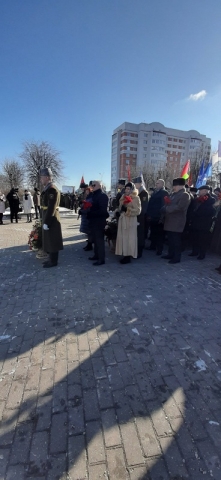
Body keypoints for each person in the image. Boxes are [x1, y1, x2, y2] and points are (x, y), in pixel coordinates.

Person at [161, 177, 190, 264]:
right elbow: (168, 204)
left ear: (181, 186)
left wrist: (167, 209)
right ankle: (170, 254)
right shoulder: (173, 194)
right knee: (170, 240)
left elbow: (180, 207)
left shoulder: (185, 195)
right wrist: (164, 208)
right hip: (170, 221)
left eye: (175, 186)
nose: (174, 187)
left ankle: (177, 257)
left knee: (176, 240)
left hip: (177, 222)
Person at [40, 167, 63, 268]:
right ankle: (51, 259)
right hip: (48, 215)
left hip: (52, 217)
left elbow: (52, 207)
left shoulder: (52, 189)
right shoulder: (48, 188)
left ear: (47, 177)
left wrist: (47, 222)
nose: (41, 179)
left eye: (42, 177)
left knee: (53, 239)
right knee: (49, 238)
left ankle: (54, 261)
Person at [115, 182, 141, 264]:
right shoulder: (123, 197)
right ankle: (124, 253)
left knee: (130, 239)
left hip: (130, 221)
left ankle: (128, 256)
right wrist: (118, 211)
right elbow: (120, 208)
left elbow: (138, 211)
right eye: (126, 188)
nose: (127, 190)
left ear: (132, 189)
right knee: (123, 238)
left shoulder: (136, 198)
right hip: (123, 220)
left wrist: (127, 210)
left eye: (129, 189)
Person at [189, 185, 215, 260]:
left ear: (206, 191)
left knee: (202, 239)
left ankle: (202, 254)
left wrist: (198, 213)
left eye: (201, 190)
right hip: (195, 222)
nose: (199, 192)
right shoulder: (197, 199)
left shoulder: (211, 200)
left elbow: (210, 211)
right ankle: (194, 251)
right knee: (195, 237)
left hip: (204, 223)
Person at [87, 180, 109, 265]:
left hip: (99, 222)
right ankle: (96, 255)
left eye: (94, 185)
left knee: (99, 241)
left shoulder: (102, 196)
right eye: (92, 185)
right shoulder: (93, 195)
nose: (92, 186)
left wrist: (91, 213)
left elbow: (103, 211)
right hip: (93, 221)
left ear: (100, 186)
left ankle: (101, 259)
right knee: (95, 240)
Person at [146, 179, 168, 255]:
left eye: (158, 183)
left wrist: (162, 217)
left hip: (159, 217)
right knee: (153, 232)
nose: (156, 184)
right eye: (156, 183)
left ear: (162, 184)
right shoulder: (156, 192)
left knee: (160, 234)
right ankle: (153, 246)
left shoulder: (164, 193)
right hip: (153, 216)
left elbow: (164, 205)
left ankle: (159, 249)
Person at [133, 176, 149, 258]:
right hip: (136, 216)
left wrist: (138, 216)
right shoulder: (137, 192)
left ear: (139, 183)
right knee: (136, 235)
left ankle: (140, 252)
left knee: (140, 235)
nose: (135, 185)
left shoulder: (144, 193)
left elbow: (143, 207)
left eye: (136, 184)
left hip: (141, 217)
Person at [79, 186, 93, 251]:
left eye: (88, 191)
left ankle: (90, 245)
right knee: (88, 232)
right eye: (86, 191)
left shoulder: (91, 198)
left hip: (88, 217)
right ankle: (89, 244)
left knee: (89, 232)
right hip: (85, 217)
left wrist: (82, 211)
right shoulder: (87, 197)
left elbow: (89, 209)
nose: (87, 192)